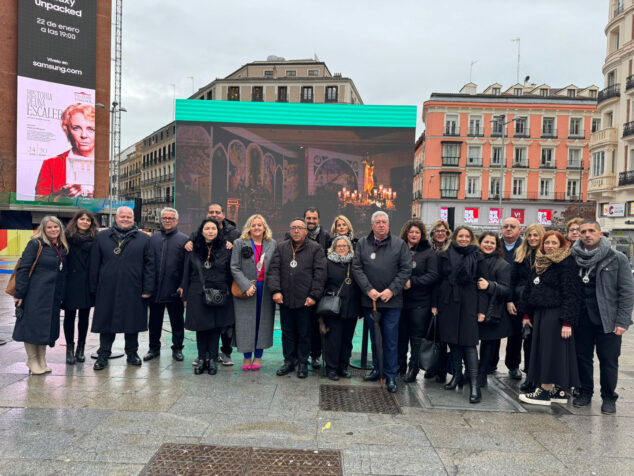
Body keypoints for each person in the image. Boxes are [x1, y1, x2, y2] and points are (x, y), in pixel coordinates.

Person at [571, 220, 634, 414]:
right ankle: (585, 392)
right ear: (579, 235)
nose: (587, 234)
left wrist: (623, 321)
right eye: (583, 231)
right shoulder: (573, 257)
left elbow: (627, 292)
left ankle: (608, 397)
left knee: (608, 360)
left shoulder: (616, 258)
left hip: (608, 319)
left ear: (600, 234)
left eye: (591, 231)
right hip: (581, 318)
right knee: (582, 358)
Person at [518, 231, 580, 406]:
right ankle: (559, 390)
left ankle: (544, 391)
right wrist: (526, 314)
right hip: (541, 313)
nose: (550, 246)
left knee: (550, 352)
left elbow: (572, 294)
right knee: (553, 351)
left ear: (562, 245)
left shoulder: (566, 264)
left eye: (554, 243)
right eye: (547, 243)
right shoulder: (540, 263)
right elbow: (530, 290)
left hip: (556, 314)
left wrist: (567, 321)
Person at [352, 211, 411, 393]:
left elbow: (405, 269)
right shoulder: (362, 243)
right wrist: (368, 289)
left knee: (390, 340)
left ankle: (391, 375)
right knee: (375, 338)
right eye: (377, 222)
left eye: (384, 222)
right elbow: (357, 268)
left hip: (392, 302)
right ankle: (377, 369)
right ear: (372, 225)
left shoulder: (399, 244)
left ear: (388, 224)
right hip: (371, 301)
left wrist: (391, 290)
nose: (381, 225)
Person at [90, 206, 155, 370]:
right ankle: (103, 354)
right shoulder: (102, 236)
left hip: (133, 288)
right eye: (122, 216)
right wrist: (94, 288)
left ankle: (132, 354)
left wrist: (147, 289)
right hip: (107, 288)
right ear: (116, 218)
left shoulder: (144, 238)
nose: (125, 219)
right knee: (106, 323)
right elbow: (94, 265)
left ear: (133, 219)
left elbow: (150, 265)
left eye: (129, 217)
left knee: (132, 323)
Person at [268, 218, 327, 378]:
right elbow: (273, 270)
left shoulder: (316, 248)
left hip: (306, 300)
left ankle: (302, 362)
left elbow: (320, 274)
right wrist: (275, 291)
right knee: (287, 332)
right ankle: (289, 361)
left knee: (304, 333)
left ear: (305, 231)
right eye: (293, 228)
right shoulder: (281, 247)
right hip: (285, 298)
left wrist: (314, 295)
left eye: (299, 228)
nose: (296, 231)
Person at [185, 203, 239, 366]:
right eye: (207, 228)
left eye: (217, 212)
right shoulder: (194, 241)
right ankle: (202, 357)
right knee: (202, 325)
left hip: (221, 291)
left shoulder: (232, 237)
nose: (210, 231)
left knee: (219, 326)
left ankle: (219, 355)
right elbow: (187, 269)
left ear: (223, 215)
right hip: (199, 291)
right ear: (202, 231)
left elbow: (234, 267)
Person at [12, 216, 68, 374]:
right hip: (34, 293)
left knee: (45, 327)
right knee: (31, 327)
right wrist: (20, 293)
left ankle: (42, 359)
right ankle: (32, 360)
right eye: (49, 227)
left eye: (56, 227)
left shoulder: (61, 246)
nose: (53, 230)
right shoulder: (35, 244)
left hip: (52, 295)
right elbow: (23, 269)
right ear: (43, 229)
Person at [436, 225, 481, 403]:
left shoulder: (478, 255)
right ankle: (456, 376)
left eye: (466, 236)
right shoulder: (445, 255)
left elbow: (482, 284)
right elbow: (438, 281)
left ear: (471, 238)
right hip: (449, 302)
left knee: (469, 343)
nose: (463, 239)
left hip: (470, 303)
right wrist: (435, 304)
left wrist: (482, 310)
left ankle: (475, 385)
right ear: (454, 237)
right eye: (460, 236)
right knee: (452, 341)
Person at [230, 214, 277, 370]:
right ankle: (246, 356)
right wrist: (246, 285)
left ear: (264, 228)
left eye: (259, 225)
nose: (256, 227)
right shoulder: (239, 243)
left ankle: (258, 356)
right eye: (253, 225)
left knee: (261, 323)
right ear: (249, 227)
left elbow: (275, 268)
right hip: (246, 289)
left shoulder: (272, 244)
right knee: (245, 323)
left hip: (265, 290)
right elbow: (234, 267)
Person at [144, 208, 188, 362]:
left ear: (176, 220)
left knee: (177, 322)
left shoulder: (184, 240)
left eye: (171, 218)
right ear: (161, 220)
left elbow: (187, 267)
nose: (167, 220)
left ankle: (177, 349)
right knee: (154, 322)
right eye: (165, 218)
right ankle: (153, 348)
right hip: (155, 289)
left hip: (175, 289)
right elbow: (147, 264)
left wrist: (183, 285)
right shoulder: (153, 239)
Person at [398, 219, 439, 382]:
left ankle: (413, 368)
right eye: (411, 232)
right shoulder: (399, 249)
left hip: (419, 303)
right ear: (406, 233)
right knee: (400, 336)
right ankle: (398, 366)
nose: (413, 235)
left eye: (417, 232)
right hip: (399, 301)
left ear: (421, 235)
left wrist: (412, 282)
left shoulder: (428, 253)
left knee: (416, 338)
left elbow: (433, 275)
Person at [509, 223, 545, 393]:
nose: (532, 238)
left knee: (534, 341)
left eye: (536, 235)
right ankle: (517, 368)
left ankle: (533, 376)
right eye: (530, 235)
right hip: (520, 301)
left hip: (538, 304)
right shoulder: (520, 253)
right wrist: (509, 300)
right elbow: (512, 279)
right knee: (518, 337)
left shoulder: (546, 255)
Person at [321, 235, 362, 381]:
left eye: (345, 246)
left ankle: (343, 367)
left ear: (349, 248)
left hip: (351, 308)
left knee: (347, 340)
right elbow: (322, 284)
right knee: (333, 340)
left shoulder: (355, 262)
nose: (342, 248)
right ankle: (331, 368)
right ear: (334, 248)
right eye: (339, 246)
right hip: (333, 308)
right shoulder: (327, 262)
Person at [476, 232, 513, 390]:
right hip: (474, 308)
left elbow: (506, 289)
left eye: (492, 243)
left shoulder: (503, 265)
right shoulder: (474, 260)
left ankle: (482, 374)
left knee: (488, 343)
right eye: (486, 242)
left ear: (497, 246)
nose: (488, 245)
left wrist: (490, 286)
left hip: (493, 311)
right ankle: (471, 371)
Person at [36, 103, 96, 197]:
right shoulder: (51, 164)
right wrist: (61, 195)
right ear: (66, 130)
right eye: (76, 128)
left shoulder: (105, 166)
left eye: (91, 129)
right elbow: (39, 201)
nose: (84, 135)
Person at [62, 209, 98, 365]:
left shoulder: (96, 238)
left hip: (87, 281)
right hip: (70, 281)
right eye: (82, 219)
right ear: (75, 220)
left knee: (84, 316)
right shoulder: (66, 237)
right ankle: (70, 348)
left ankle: (81, 348)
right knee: (69, 316)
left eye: (88, 220)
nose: (85, 222)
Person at [492, 217, 524, 380]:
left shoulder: (524, 247)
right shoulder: (494, 245)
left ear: (519, 230)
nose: (509, 229)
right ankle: (490, 363)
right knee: (492, 331)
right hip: (495, 294)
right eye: (505, 226)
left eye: (513, 226)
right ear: (501, 230)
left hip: (517, 297)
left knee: (515, 333)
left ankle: (513, 365)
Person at [304, 207, 330, 370]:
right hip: (300, 287)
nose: (311, 221)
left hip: (319, 287)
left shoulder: (326, 237)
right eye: (308, 218)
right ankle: (302, 355)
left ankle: (315, 355)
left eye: (314, 218)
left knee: (316, 325)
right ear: (304, 219)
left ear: (318, 220)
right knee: (302, 325)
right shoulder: (294, 233)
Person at [428, 219, 451, 382]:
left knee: (443, 337)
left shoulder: (452, 250)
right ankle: (431, 366)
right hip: (428, 295)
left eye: (443, 231)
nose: (440, 233)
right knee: (431, 335)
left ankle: (442, 370)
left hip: (445, 297)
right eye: (437, 231)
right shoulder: (428, 250)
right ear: (432, 234)